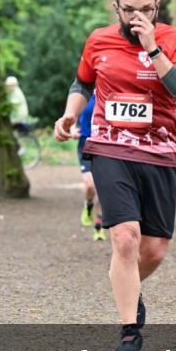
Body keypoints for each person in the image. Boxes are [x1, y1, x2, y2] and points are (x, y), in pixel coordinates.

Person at [54, 0, 176, 351]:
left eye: (146, 9)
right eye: (129, 10)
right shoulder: (99, 39)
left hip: (160, 153)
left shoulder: (175, 40)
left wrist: (153, 49)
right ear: (116, 8)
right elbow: (82, 84)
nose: (137, 17)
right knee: (124, 237)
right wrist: (69, 116)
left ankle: (129, 288)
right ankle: (129, 331)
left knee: (154, 249)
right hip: (109, 148)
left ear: (156, 7)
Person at [72, 92, 105, 241]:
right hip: (85, 144)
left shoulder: (112, 91)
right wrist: (72, 128)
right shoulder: (84, 93)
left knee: (105, 189)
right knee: (90, 185)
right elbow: (71, 113)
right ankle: (89, 204)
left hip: (107, 146)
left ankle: (99, 228)